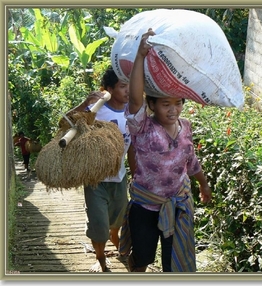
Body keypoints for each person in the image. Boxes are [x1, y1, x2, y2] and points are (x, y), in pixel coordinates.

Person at [119, 28, 212, 272]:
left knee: (174, 265)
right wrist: (140, 55)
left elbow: (190, 161)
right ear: (151, 105)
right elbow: (135, 100)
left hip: (177, 205)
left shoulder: (186, 127)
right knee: (142, 259)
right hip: (145, 206)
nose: (173, 110)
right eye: (165, 104)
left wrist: (203, 184)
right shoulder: (143, 127)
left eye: (178, 103)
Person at [70, 67, 134, 272]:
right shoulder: (97, 110)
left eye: (130, 86)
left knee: (117, 220)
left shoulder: (133, 112)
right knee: (99, 225)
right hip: (95, 179)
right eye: (123, 86)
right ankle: (100, 259)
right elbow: (67, 123)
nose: (128, 90)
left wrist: (137, 175)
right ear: (108, 89)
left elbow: (133, 147)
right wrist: (85, 103)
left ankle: (117, 243)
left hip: (119, 178)